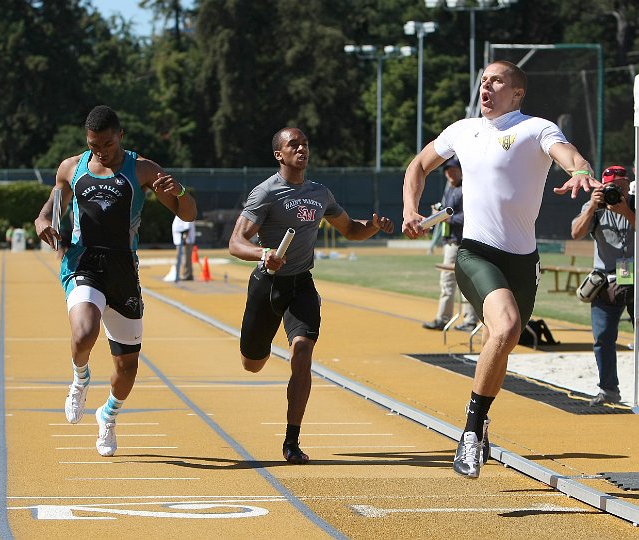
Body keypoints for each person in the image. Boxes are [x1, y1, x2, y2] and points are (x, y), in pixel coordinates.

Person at [402, 60, 600, 479]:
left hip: (523, 262)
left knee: (501, 340)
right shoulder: (462, 131)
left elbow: (567, 154)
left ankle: (481, 422)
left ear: (517, 93)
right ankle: (470, 434)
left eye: (496, 81)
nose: (486, 86)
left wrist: (580, 170)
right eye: (483, 80)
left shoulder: (535, 128)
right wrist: (409, 209)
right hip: (477, 254)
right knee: (507, 327)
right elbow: (417, 166)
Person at [34, 105, 197, 457]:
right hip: (83, 262)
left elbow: (188, 213)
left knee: (127, 368)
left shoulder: (142, 169)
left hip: (123, 270)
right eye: (94, 145)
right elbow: (51, 207)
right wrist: (43, 222)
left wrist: (180, 192)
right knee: (83, 331)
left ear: (120, 136)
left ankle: (107, 415)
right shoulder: (71, 168)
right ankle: (80, 379)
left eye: (106, 144)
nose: (101, 152)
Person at [228, 127, 394, 465]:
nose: (302, 149)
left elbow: (350, 230)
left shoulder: (320, 193)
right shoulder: (266, 194)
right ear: (279, 154)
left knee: (302, 354)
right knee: (252, 364)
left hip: (301, 285)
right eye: (294, 145)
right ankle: (256, 353)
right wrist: (264, 254)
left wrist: (374, 226)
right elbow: (236, 243)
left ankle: (291, 441)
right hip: (268, 284)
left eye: (305, 144)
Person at [571, 165, 635, 406]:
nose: (616, 191)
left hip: (635, 278)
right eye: (611, 187)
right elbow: (576, 233)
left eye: (620, 186)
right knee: (603, 338)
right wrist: (591, 206)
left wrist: (626, 210)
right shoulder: (595, 210)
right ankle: (608, 389)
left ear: (628, 183)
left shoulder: (635, 203)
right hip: (606, 280)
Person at [422, 157, 479, 332]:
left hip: (461, 242)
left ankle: (465, 320)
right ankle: (446, 318)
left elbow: (469, 215)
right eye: (447, 170)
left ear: (461, 171)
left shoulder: (465, 189)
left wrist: (447, 217)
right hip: (451, 241)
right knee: (449, 283)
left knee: (463, 283)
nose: (450, 173)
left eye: (453, 170)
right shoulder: (450, 189)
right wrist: (438, 213)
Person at [171, 215, 196, 280]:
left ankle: (186, 274)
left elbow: (187, 227)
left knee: (185, 258)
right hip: (181, 240)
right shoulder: (180, 213)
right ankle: (188, 274)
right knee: (185, 258)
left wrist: (184, 239)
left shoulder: (185, 213)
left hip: (184, 241)